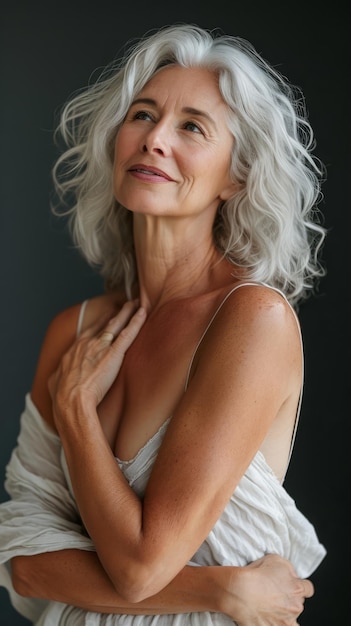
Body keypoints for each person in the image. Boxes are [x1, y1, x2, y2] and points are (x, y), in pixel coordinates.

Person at [0, 23, 327, 626]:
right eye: (143, 115)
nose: (155, 140)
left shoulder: (253, 319)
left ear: (237, 177)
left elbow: (143, 566)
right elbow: (21, 561)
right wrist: (220, 591)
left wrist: (76, 414)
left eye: (191, 127)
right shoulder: (73, 332)